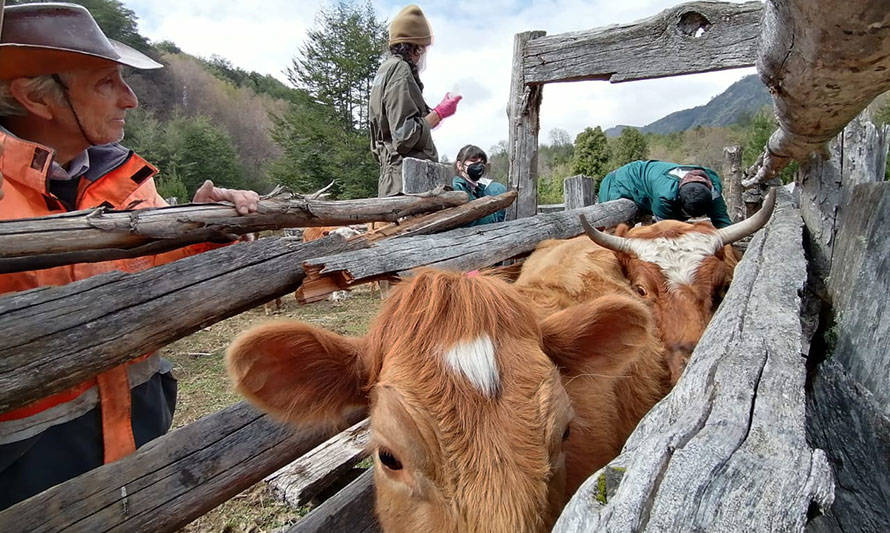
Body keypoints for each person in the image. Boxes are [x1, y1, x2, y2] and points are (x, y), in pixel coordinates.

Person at [0, 3, 260, 508]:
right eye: (106, 82)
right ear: (35, 97)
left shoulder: (127, 182)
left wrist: (199, 225)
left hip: (140, 424)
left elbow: (149, 267)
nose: (131, 99)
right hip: (28, 462)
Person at [369, 4, 462, 197]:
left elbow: (397, 127)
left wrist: (434, 112)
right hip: (405, 186)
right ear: (416, 48)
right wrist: (438, 114)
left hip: (394, 182)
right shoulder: (400, 70)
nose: (424, 55)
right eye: (424, 48)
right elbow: (404, 137)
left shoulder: (385, 70)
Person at [597, 160, 733, 228]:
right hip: (620, 182)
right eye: (686, 213)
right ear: (678, 197)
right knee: (615, 229)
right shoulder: (664, 196)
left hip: (649, 184)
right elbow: (669, 229)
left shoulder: (713, 191)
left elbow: (722, 221)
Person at [451, 144, 507, 226]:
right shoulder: (457, 189)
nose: (479, 165)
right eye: (474, 161)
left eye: (482, 162)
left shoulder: (478, 189)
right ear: (460, 165)